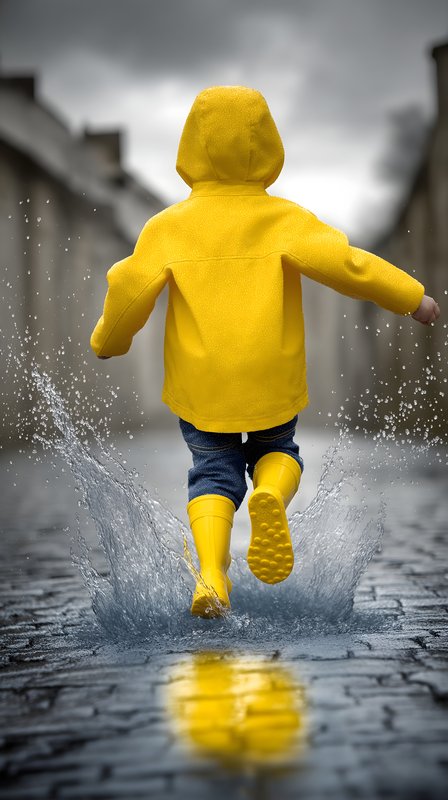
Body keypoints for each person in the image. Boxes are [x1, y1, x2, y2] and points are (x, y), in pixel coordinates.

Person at [91, 85, 440, 618]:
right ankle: (271, 494)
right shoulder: (284, 219)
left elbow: (129, 288)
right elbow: (348, 264)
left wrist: (109, 341)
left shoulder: (167, 228)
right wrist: (412, 297)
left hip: (203, 386)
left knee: (211, 474)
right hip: (270, 382)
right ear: (267, 146)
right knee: (281, 450)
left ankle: (211, 574)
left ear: (190, 148)